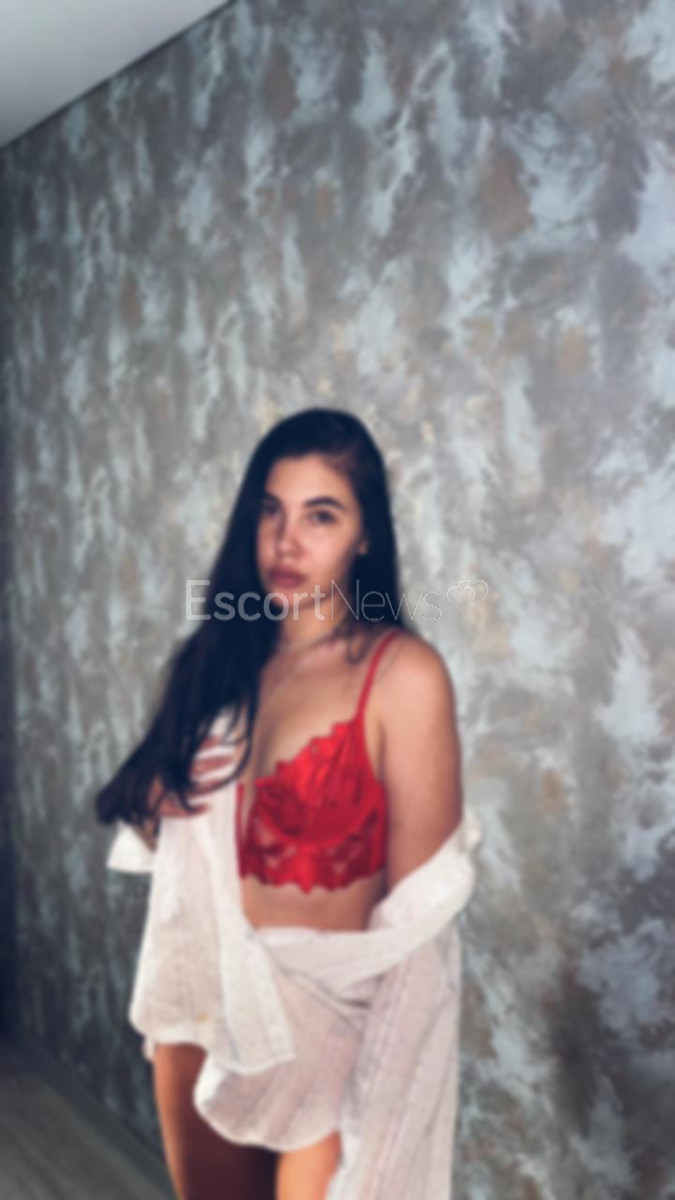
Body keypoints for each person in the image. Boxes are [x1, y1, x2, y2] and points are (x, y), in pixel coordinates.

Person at [97, 407, 482, 1200]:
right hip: (205, 1005)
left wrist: (392, 1092)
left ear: (364, 536)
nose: (286, 541)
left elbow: (418, 925)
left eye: (320, 515)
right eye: (270, 511)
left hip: (326, 1026)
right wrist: (153, 797)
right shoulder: (214, 660)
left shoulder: (401, 675)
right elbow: (144, 813)